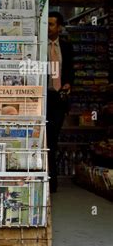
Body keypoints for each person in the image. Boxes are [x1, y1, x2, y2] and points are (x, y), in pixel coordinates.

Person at [47, 11, 74, 193]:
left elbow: (71, 70)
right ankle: (46, 179)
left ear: (59, 27)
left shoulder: (66, 47)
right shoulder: (41, 46)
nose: (48, 28)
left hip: (58, 99)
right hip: (43, 96)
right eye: (46, 24)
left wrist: (68, 84)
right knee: (44, 139)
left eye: (51, 24)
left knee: (53, 140)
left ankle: (52, 182)